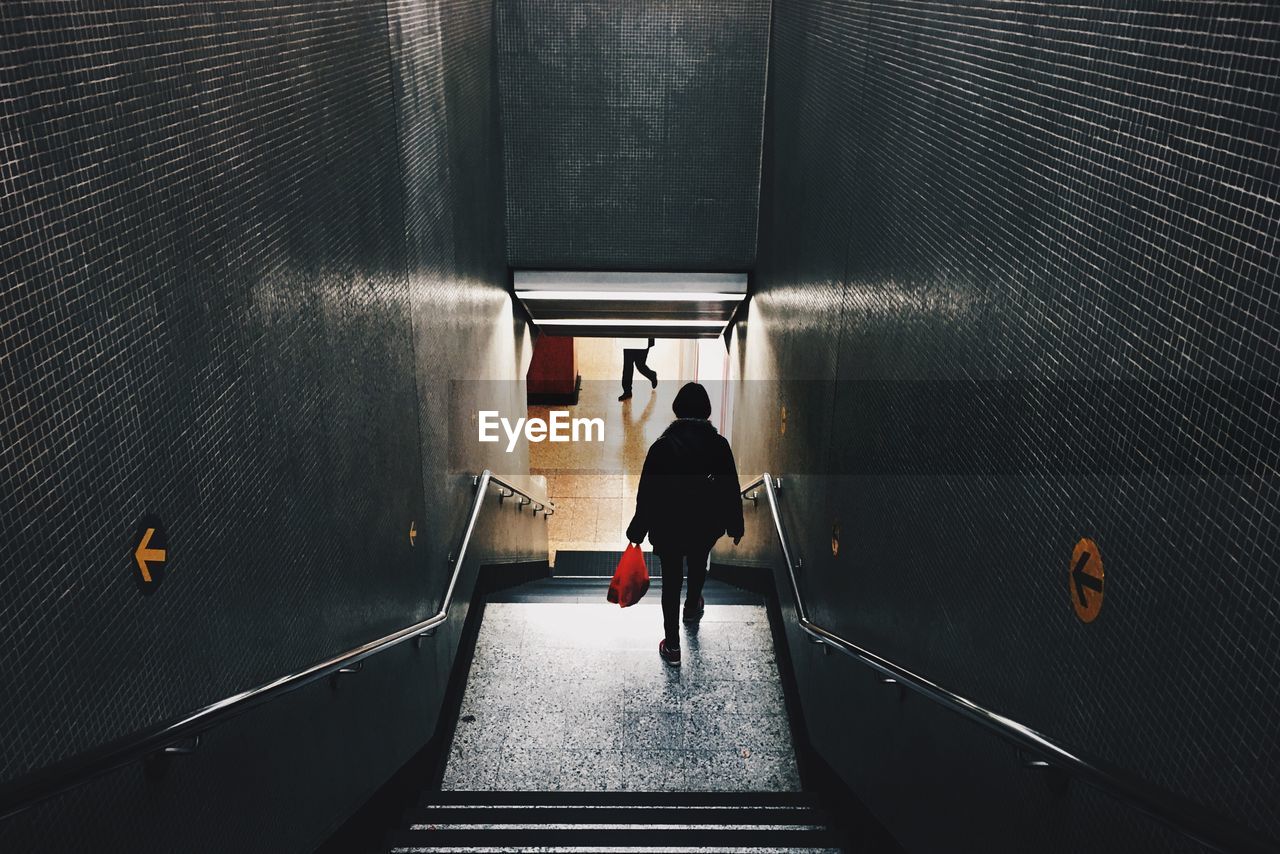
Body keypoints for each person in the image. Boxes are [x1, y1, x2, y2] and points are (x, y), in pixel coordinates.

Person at [625, 382, 744, 665]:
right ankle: (692, 607)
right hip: (705, 525)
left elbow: (648, 494)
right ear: (706, 411)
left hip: (669, 528)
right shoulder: (719, 446)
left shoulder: (662, 447)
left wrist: (637, 530)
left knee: (671, 582)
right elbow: (730, 488)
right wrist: (734, 524)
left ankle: (673, 646)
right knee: (699, 562)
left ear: (677, 410)